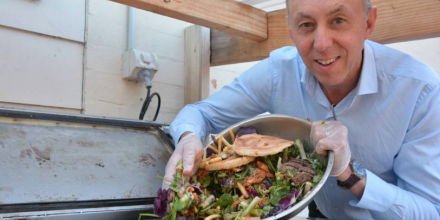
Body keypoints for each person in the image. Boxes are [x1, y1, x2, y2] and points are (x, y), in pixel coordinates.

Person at [163, 0, 440, 219]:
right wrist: (188, 138)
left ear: (368, 22)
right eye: (306, 24)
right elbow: (198, 113)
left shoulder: (419, 90)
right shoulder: (277, 73)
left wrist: (349, 173)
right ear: (291, 29)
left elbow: (430, 212)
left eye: (338, 20)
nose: (321, 44)